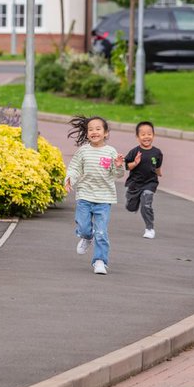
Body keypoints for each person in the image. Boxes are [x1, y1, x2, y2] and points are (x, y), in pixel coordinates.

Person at [64, 115, 124, 275]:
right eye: (90, 129)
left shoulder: (111, 151)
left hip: (104, 199)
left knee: (102, 232)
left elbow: (117, 174)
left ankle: (100, 261)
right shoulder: (83, 151)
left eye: (98, 129)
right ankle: (86, 237)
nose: (94, 132)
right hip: (84, 196)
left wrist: (118, 166)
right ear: (86, 132)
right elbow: (75, 168)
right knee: (83, 227)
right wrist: (69, 179)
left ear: (105, 133)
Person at [124, 120, 163, 239]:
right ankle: (134, 201)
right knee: (130, 207)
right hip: (135, 184)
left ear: (153, 135)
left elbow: (157, 166)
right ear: (137, 137)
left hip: (150, 183)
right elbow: (127, 166)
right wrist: (135, 163)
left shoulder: (157, 152)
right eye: (143, 134)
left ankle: (149, 228)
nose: (146, 137)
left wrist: (159, 173)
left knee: (146, 203)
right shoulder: (134, 151)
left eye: (149, 134)